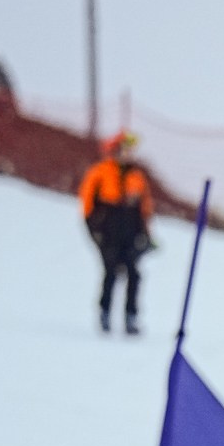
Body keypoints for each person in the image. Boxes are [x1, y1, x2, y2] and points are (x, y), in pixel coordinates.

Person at [78, 132, 152, 335]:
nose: (129, 154)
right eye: (125, 149)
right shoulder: (100, 172)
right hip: (108, 231)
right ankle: (104, 314)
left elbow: (144, 208)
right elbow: (86, 204)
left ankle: (131, 317)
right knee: (110, 273)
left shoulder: (137, 176)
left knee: (134, 275)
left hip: (130, 231)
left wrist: (146, 234)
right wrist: (94, 231)